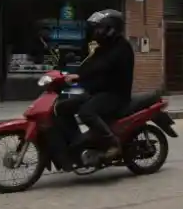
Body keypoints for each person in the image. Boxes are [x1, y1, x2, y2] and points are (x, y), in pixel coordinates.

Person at [55, 9, 135, 164]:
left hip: (115, 95)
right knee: (62, 108)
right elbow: (89, 64)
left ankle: (112, 143)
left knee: (86, 112)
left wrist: (80, 76)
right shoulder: (102, 48)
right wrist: (67, 74)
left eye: (100, 28)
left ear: (111, 29)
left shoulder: (122, 48)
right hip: (97, 92)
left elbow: (103, 65)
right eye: (96, 29)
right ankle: (75, 144)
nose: (97, 32)